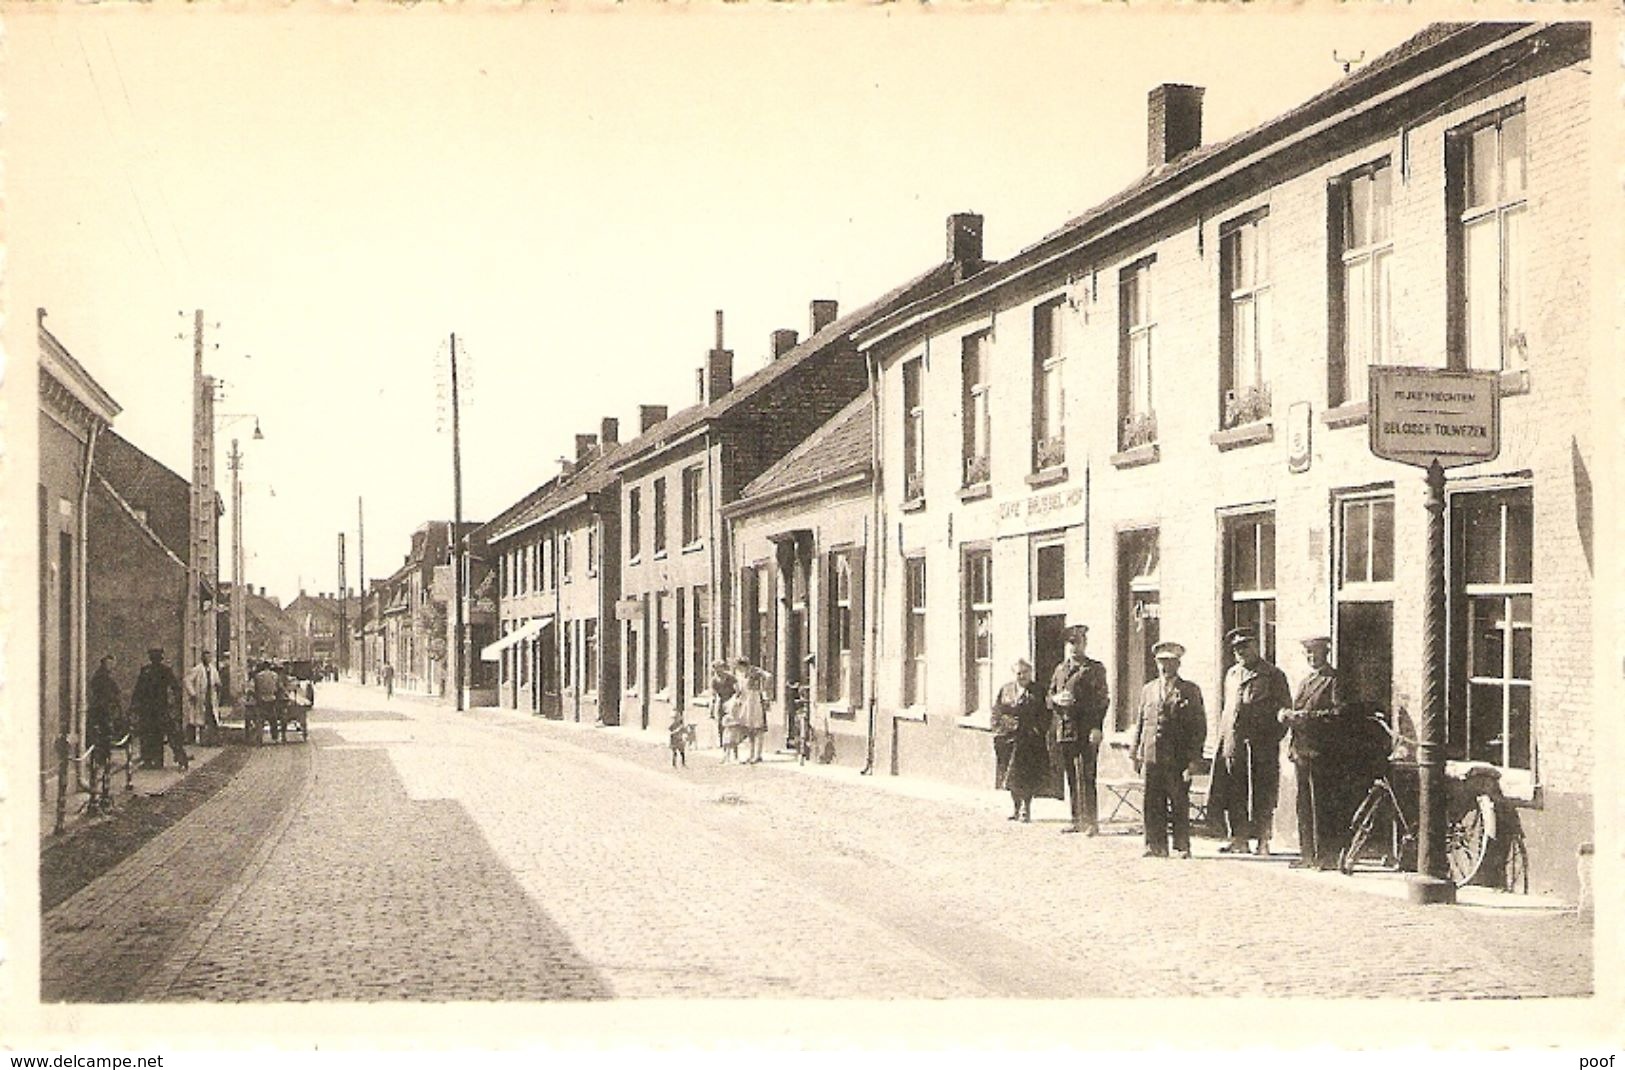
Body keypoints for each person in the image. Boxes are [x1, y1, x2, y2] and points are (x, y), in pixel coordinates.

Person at [1211, 627, 1292, 856]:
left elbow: (1284, 709)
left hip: (1261, 744)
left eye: (1245, 646)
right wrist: (1225, 740)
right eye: (1237, 648)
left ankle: (1263, 840)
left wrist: (1271, 737)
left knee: (1263, 792)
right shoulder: (1232, 674)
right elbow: (1228, 709)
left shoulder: (1273, 675)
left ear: (1256, 646)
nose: (1241, 651)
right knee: (1235, 791)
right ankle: (1239, 838)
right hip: (1234, 743)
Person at [1280, 635, 1352, 870]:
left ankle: (1326, 856)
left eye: (1316, 653)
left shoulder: (1335, 681)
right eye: (1308, 654)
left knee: (1323, 804)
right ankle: (1307, 854)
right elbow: (1298, 708)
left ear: (1326, 653)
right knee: (1304, 804)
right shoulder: (1306, 681)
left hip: (1324, 752)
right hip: (1302, 751)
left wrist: (1302, 717)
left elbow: (1339, 715)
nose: (1312, 658)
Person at [1130, 642, 1207, 858]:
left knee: (1179, 800)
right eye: (1161, 662)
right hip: (1152, 753)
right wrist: (1136, 752)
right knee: (1152, 801)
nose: (1165, 667)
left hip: (1178, 757)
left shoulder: (1190, 690)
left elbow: (1199, 727)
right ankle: (1154, 845)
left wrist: (1194, 759)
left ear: (1178, 664)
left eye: (1170, 662)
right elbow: (1141, 723)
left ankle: (1181, 845)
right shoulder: (1149, 689)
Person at [1047, 625, 1110, 835]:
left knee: (1086, 775)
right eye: (1071, 643)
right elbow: (1048, 697)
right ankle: (1076, 818)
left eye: (1079, 643)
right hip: (1065, 730)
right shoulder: (1060, 670)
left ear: (1085, 644)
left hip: (1086, 730)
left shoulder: (1094, 669)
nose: (1075, 647)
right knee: (1071, 775)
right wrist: (1055, 699)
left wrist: (1097, 727)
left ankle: (1091, 821)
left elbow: (1102, 700)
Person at [994, 659, 1049, 822]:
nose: (1022, 676)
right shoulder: (1006, 690)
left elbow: (1046, 714)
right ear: (1014, 674)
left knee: (1026, 774)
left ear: (1030, 673)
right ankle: (1016, 807)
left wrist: (1039, 729)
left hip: (1029, 740)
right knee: (1009, 773)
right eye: (1018, 673)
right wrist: (997, 729)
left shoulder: (1038, 691)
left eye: (1025, 673)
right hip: (1007, 738)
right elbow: (996, 710)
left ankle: (1026, 808)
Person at [131, 648, 187, 770]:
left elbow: (138, 691)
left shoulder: (158, 671)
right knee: (153, 734)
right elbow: (138, 690)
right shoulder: (155, 671)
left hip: (155, 708)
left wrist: (175, 702)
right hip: (154, 708)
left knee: (156, 733)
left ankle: (153, 760)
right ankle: (152, 760)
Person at [87, 655, 123, 808]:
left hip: (105, 711)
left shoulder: (106, 677)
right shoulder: (100, 677)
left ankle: (104, 760)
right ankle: (102, 760)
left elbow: (115, 691)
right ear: (104, 664)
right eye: (109, 664)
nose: (111, 666)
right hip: (100, 711)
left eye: (112, 664)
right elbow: (103, 693)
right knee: (102, 736)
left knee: (107, 735)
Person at [733, 658, 771, 765]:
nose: (738, 669)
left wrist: (763, 690)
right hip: (746, 701)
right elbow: (740, 689)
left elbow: (768, 676)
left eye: (739, 667)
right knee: (749, 729)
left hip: (755, 700)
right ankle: (751, 754)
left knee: (758, 728)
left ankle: (758, 755)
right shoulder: (741, 674)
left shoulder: (754, 671)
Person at [184, 650, 223, 748]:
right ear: (202, 658)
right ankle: (202, 740)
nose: (208, 659)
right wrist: (192, 693)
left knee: (212, 719)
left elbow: (217, 681)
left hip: (211, 697)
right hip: (201, 697)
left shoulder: (213, 669)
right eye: (206, 657)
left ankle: (213, 740)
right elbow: (187, 680)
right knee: (201, 719)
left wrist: (218, 685)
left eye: (209, 657)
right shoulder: (197, 669)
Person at [251, 661, 282, 745]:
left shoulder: (258, 676)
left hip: (261, 699)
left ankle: (259, 738)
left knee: (260, 719)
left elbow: (255, 689)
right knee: (273, 719)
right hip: (272, 699)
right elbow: (279, 687)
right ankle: (275, 737)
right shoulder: (275, 675)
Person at [709, 660, 737, 750]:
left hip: (731, 700)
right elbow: (713, 695)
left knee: (732, 721)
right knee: (721, 721)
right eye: (715, 669)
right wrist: (712, 708)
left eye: (719, 668)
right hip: (721, 701)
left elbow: (737, 689)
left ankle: (733, 742)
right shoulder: (714, 680)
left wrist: (734, 700)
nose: (718, 671)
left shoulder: (730, 678)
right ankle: (722, 741)